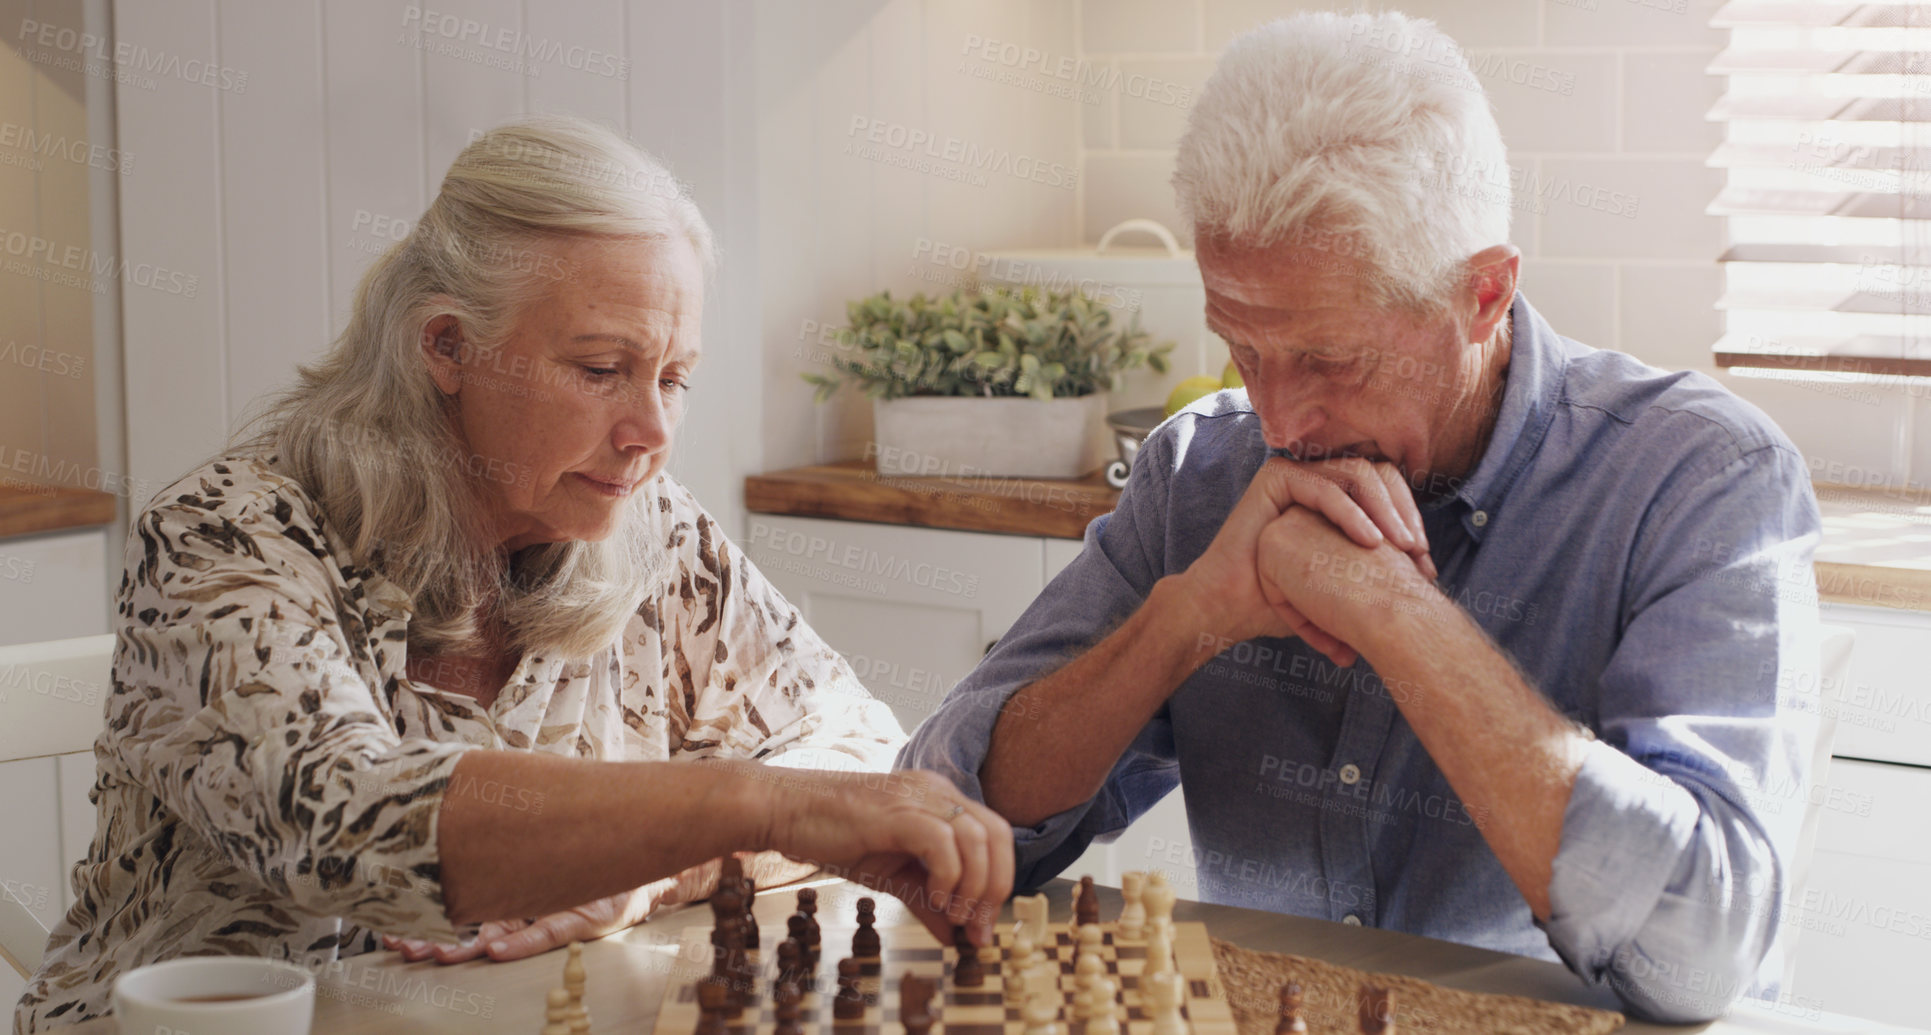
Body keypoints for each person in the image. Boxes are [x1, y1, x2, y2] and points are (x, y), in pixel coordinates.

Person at [899, 12, 1820, 1024]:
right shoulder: (1199, 474)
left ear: (1483, 293)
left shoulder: (1697, 478)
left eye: (1331, 361)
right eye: (1243, 349)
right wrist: (1183, 619)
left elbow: (1698, 963)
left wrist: (1395, 613)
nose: (1281, 422)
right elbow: (941, 823)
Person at [14, 116, 1011, 1033]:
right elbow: (350, 824)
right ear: (446, 345)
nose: (650, 436)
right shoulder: (223, 539)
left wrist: (669, 870)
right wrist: (750, 801)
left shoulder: (647, 522)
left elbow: (855, 745)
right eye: (599, 369)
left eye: (671, 379)